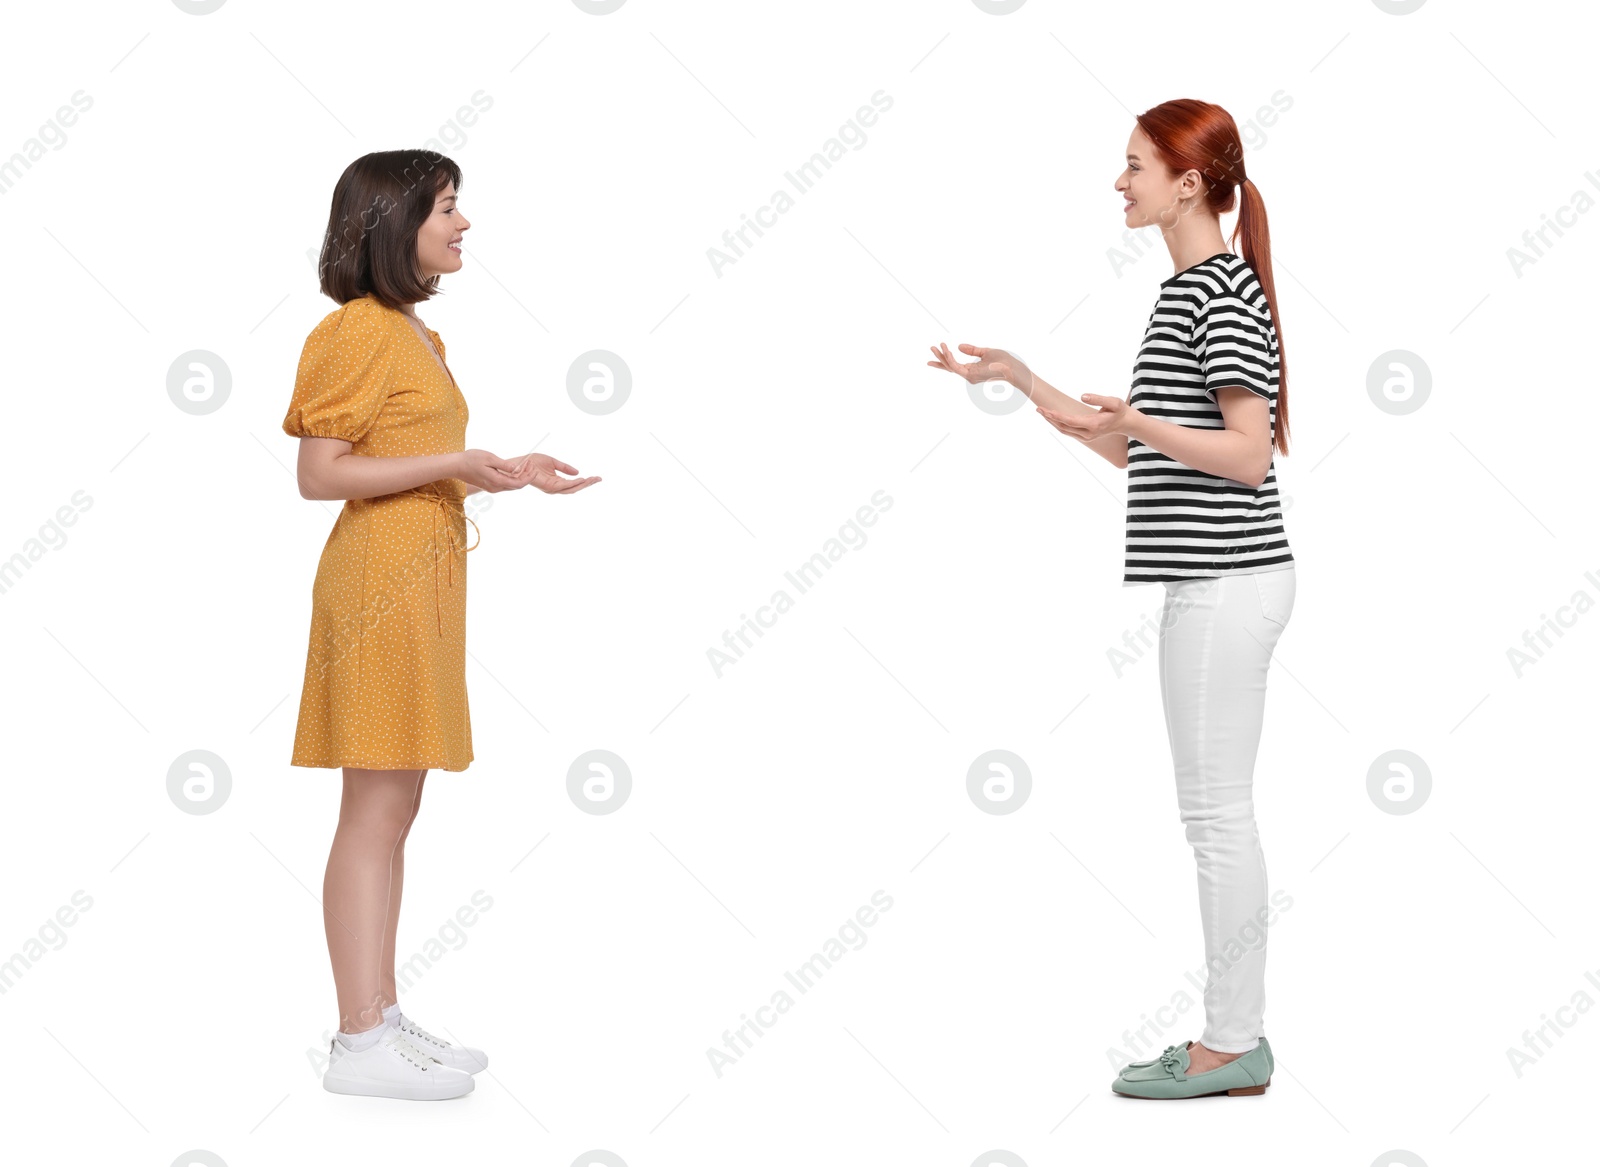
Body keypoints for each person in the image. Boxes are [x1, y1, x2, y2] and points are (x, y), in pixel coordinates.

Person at [927, 99, 1294, 1100]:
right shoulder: (1185, 291)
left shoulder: (1220, 291)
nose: (1117, 181)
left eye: (1133, 165)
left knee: (1216, 817)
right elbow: (1132, 448)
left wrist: (1139, 423)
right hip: (1207, 583)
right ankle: (1232, 1037)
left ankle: (1232, 1042)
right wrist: (1020, 381)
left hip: (1229, 583)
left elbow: (1247, 454)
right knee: (1211, 815)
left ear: (1187, 181)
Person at [282, 150, 601, 1101]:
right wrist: (452, 460)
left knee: (398, 810)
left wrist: (493, 467)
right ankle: (356, 1040)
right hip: (376, 584)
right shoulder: (355, 330)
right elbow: (319, 473)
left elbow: (410, 454)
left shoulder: (415, 334)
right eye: (449, 208)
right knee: (372, 813)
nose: (463, 225)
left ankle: (379, 1013)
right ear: (395, 221)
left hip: (419, 582)